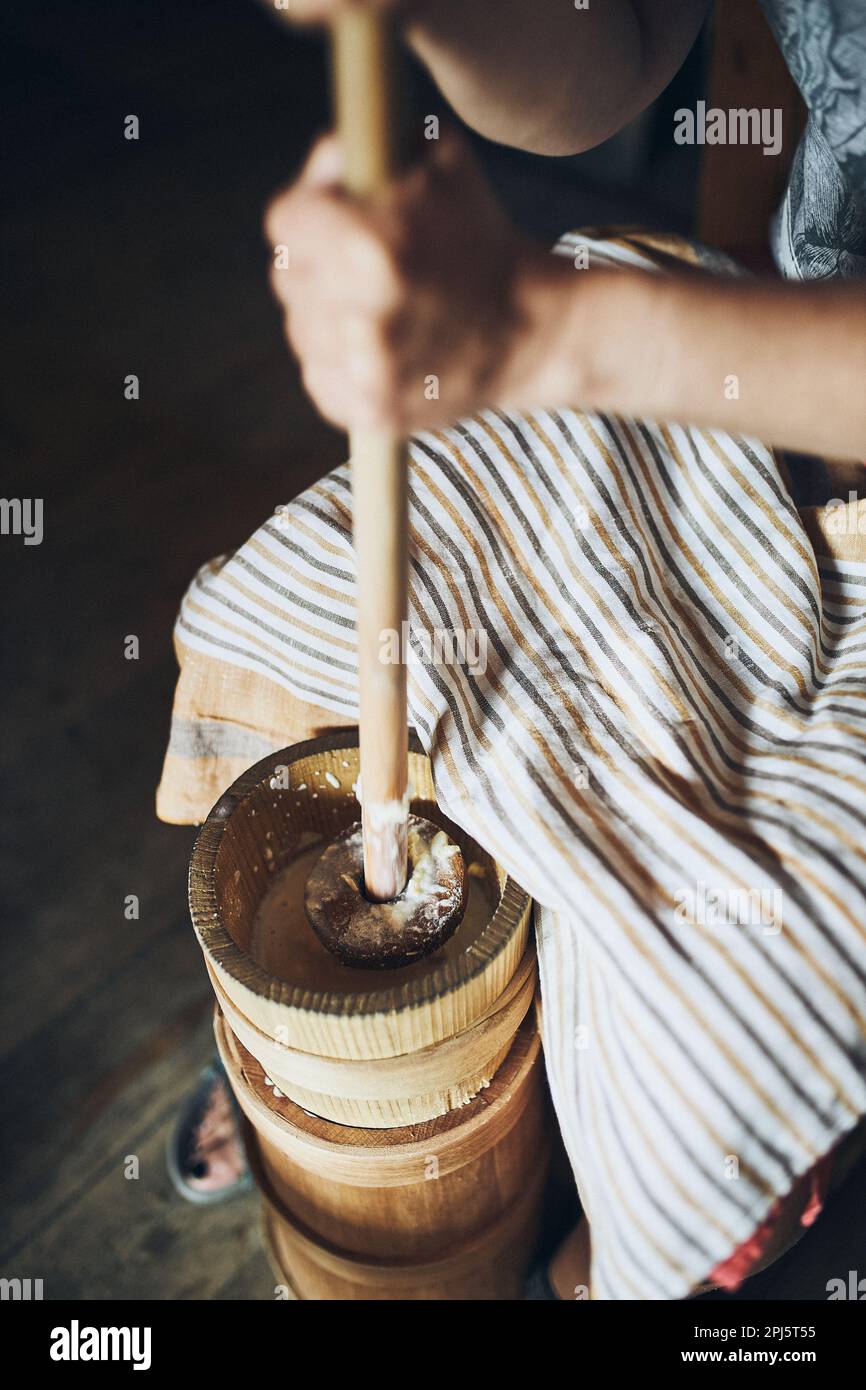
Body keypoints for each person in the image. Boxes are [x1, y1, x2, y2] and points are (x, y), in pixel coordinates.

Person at [166, 0, 866, 1298]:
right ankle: (323, 1057)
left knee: (719, 1051)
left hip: (755, 388)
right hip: (759, 384)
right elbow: (614, 58)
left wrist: (551, 337)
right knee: (266, 610)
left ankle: (602, 1255)